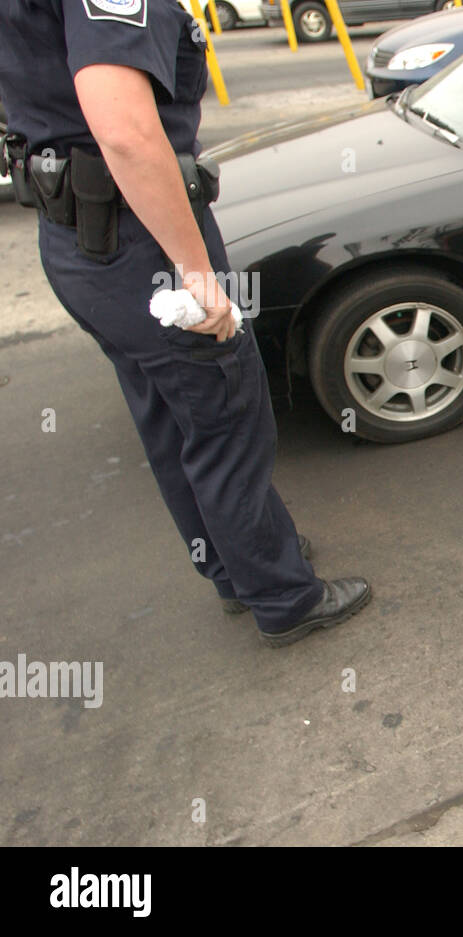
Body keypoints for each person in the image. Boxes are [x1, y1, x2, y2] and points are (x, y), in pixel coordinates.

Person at [0, 0, 369, 648]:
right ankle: (284, 597)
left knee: (170, 419)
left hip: (78, 241)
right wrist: (196, 274)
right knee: (228, 423)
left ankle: (234, 564)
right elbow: (125, 132)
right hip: (141, 244)